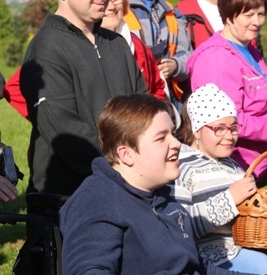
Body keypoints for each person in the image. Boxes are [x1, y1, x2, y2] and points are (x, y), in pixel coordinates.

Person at [17, 0, 148, 273]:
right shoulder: (46, 49)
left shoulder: (117, 44)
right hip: (67, 205)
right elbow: (64, 131)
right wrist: (129, 168)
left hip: (128, 197)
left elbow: (146, 113)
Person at [59, 94, 204, 274]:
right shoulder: (96, 202)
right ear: (126, 154)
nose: (176, 143)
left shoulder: (163, 195)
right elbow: (88, 270)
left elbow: (200, 266)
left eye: (173, 134)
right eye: (161, 138)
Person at [172, 83, 267, 275]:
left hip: (246, 242)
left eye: (233, 128)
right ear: (197, 130)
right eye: (219, 128)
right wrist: (230, 199)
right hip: (211, 252)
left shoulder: (232, 165)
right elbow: (183, 226)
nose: (229, 136)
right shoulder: (184, 167)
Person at [4, 0, 167, 119]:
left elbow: (157, 87)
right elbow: (14, 89)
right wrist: (46, 119)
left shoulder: (136, 44)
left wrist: (148, 118)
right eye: (104, 0)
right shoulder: (64, 46)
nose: (110, 6)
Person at [187, 0, 267, 187]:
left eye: (260, 14)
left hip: (253, 166)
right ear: (227, 15)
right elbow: (226, 123)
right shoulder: (216, 59)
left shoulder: (248, 50)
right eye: (248, 15)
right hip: (230, 170)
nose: (257, 21)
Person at [121, 0, 192, 109]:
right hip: (132, 105)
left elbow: (188, 57)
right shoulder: (113, 9)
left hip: (169, 104)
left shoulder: (171, 11)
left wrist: (175, 65)